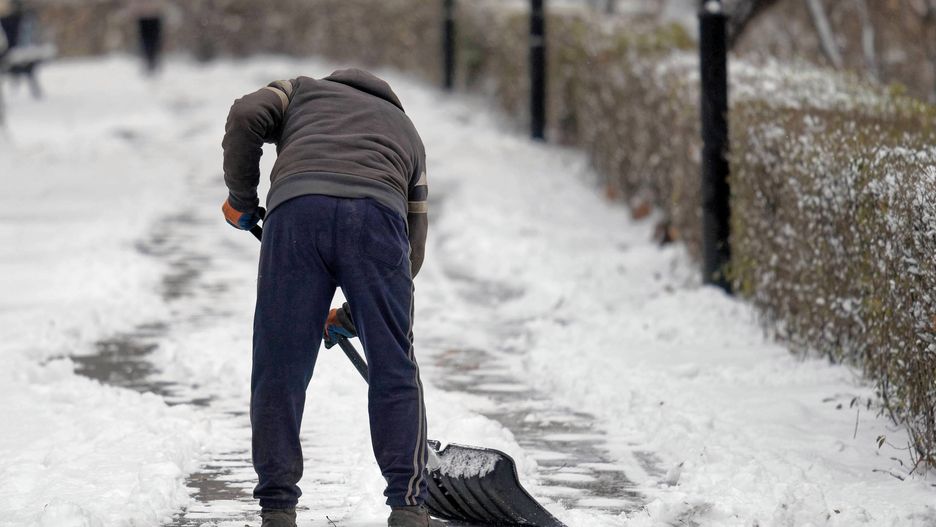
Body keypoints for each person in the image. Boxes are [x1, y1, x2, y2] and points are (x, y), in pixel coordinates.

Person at [220, 69, 436, 527]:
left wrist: (242, 198)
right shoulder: (408, 133)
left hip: (298, 214)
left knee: (279, 366)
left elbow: (245, 114)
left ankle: (277, 508)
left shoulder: (299, 91)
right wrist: (356, 317)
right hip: (378, 219)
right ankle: (407, 507)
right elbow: (411, 255)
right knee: (393, 365)